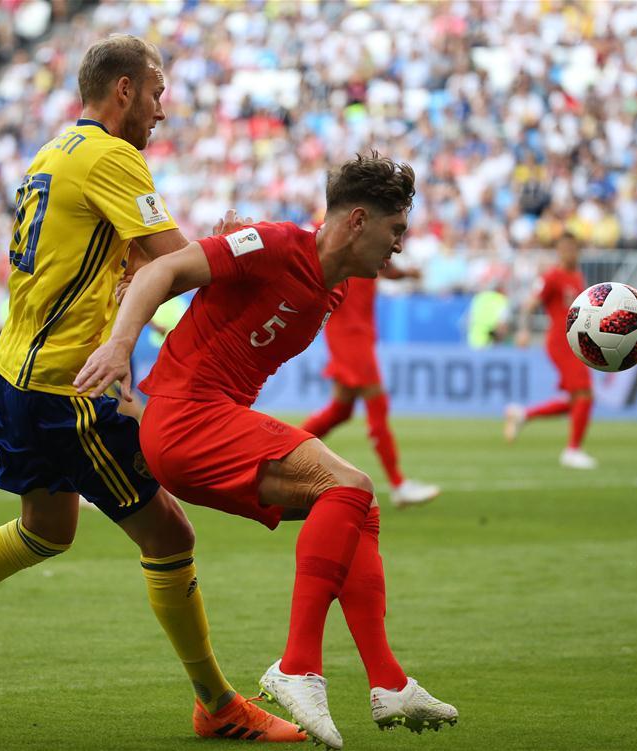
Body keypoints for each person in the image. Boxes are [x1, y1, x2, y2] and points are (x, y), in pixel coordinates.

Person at [0, 34, 304, 744]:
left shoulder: (53, 152)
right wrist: (244, 250)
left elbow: (111, 267)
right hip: (67, 386)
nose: (161, 111)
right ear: (122, 89)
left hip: (16, 373)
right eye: (155, 94)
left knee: (47, 528)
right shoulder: (112, 156)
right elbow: (174, 263)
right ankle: (216, 704)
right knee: (170, 532)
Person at [73, 153, 458, 749]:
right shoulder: (275, 243)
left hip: (198, 425)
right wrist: (121, 346)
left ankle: (389, 681)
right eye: (397, 230)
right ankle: (298, 666)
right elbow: (161, 273)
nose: (401, 246)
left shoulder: (332, 289)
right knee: (348, 486)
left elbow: (214, 314)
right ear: (358, 221)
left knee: (360, 509)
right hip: (187, 418)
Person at [301, 272, 440, 507]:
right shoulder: (333, 237)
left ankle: (281, 456)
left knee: (340, 410)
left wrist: (406, 272)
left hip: (356, 330)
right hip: (349, 332)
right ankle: (399, 485)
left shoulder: (361, 242)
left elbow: (385, 266)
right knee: (377, 403)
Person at [504, 232, 596, 469]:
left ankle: (523, 415)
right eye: (564, 248)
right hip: (560, 342)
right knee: (585, 393)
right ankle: (572, 451)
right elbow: (530, 305)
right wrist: (523, 331)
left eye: (573, 248)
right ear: (558, 251)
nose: (569, 253)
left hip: (577, 342)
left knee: (577, 399)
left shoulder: (577, 275)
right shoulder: (553, 276)